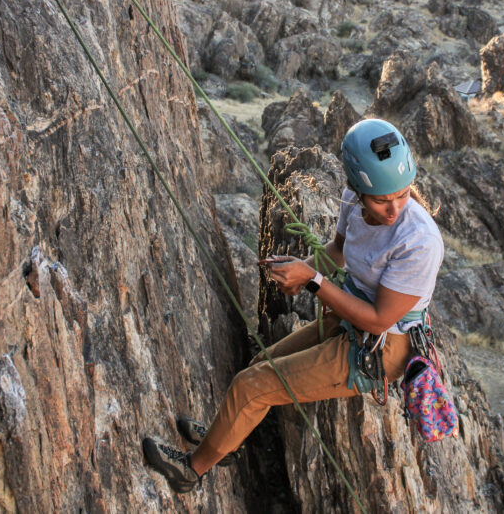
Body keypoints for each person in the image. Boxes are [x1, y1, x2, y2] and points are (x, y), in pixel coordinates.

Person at [142, 118, 444, 493]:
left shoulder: (419, 241)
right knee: (257, 368)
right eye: (382, 199)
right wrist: (293, 272)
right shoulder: (353, 201)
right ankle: (223, 444)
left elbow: (380, 320)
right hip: (352, 322)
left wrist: (311, 281)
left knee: (251, 386)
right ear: (358, 188)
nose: (394, 208)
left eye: (402, 194)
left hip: (380, 349)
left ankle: (192, 471)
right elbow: (337, 252)